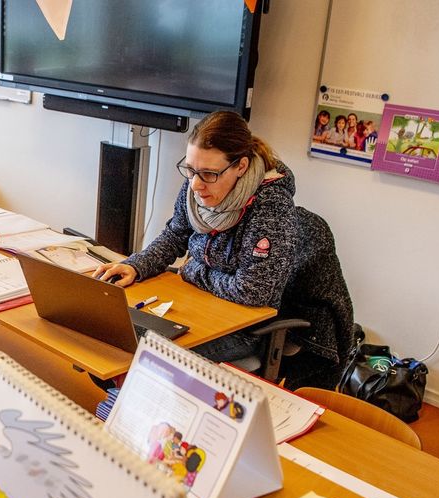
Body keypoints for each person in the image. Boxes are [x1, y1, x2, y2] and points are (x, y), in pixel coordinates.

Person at [94, 110, 353, 389]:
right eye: (190, 170)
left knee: (142, 364)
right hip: (198, 306)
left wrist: (194, 270)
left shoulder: (271, 208)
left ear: (240, 167)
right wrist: (137, 264)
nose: (195, 184)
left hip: (244, 328)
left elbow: (253, 291)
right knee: (108, 344)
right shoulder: (197, 183)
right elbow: (176, 234)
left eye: (208, 174)